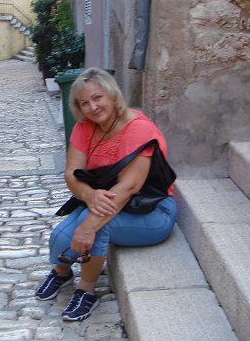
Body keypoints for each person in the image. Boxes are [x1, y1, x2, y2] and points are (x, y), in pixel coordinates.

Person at [35, 67, 177, 322]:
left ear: (112, 95)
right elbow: (71, 173)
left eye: (97, 97)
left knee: (96, 228)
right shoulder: (84, 128)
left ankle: (86, 291)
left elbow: (130, 187)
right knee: (60, 236)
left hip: (151, 209)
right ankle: (62, 272)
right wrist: (89, 196)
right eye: (84, 103)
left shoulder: (138, 128)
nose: (93, 107)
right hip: (106, 200)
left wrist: (88, 227)